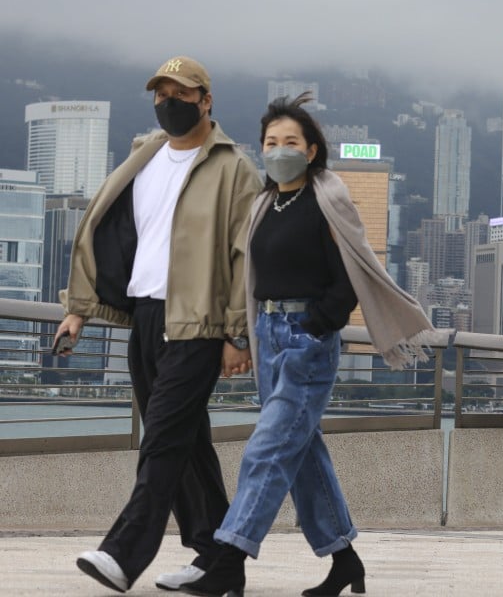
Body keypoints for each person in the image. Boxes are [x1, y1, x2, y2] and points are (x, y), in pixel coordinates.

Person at [179, 93, 433, 597]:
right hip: (269, 336)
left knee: (267, 450)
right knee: (303, 454)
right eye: (270, 142)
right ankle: (345, 561)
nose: (279, 150)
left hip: (305, 343)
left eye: (290, 141)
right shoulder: (264, 205)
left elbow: (349, 278)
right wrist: (247, 335)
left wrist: (316, 327)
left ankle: (230, 558)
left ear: (312, 150)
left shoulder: (328, 200)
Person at [57, 56, 262, 592]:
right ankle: (221, 561)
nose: (169, 101)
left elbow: (245, 257)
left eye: (181, 92)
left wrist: (236, 334)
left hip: (198, 322)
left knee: (163, 442)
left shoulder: (233, 167)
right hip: (145, 317)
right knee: (188, 444)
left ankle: (124, 554)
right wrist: (78, 309)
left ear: (206, 100)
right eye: (161, 92)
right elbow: (107, 232)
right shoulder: (143, 158)